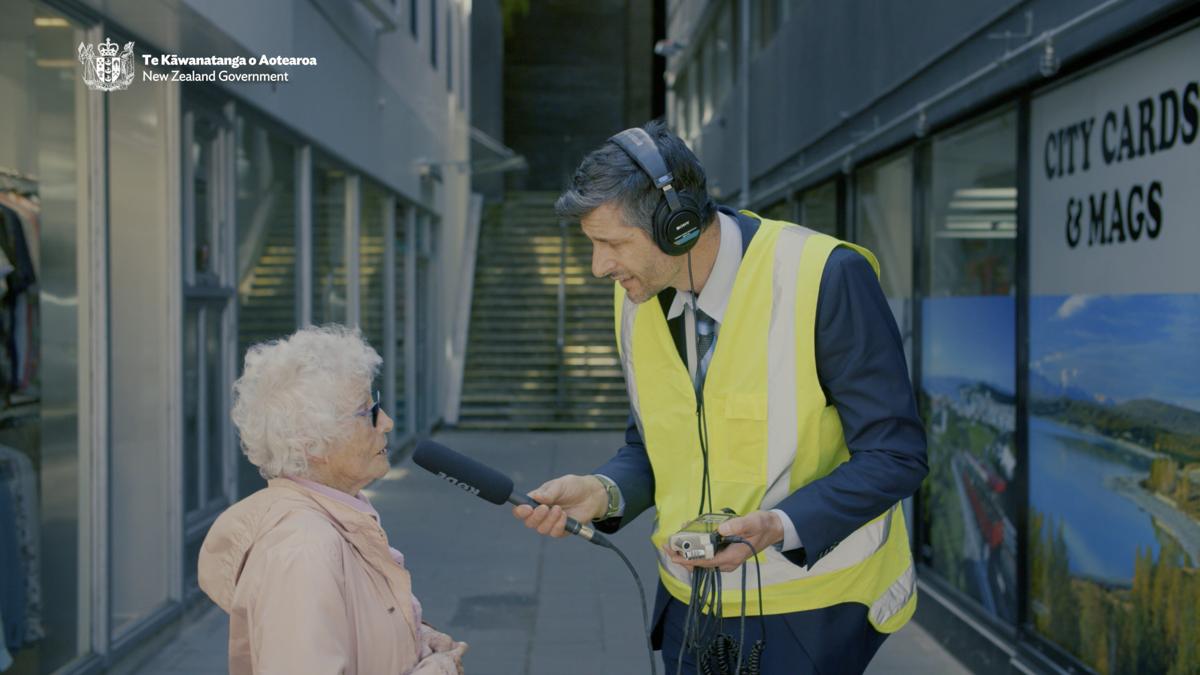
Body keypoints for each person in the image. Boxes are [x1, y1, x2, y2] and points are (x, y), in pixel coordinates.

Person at [511, 121, 927, 674]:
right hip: (692, 606)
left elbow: (895, 456)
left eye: (611, 244)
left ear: (676, 226)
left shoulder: (825, 277)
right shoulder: (636, 299)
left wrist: (778, 524)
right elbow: (654, 443)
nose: (599, 267)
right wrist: (603, 492)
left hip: (812, 608)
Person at [198, 325, 467, 674]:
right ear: (313, 443)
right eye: (367, 412)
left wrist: (416, 636)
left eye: (378, 405)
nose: (386, 422)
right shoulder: (304, 548)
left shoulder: (334, 517)